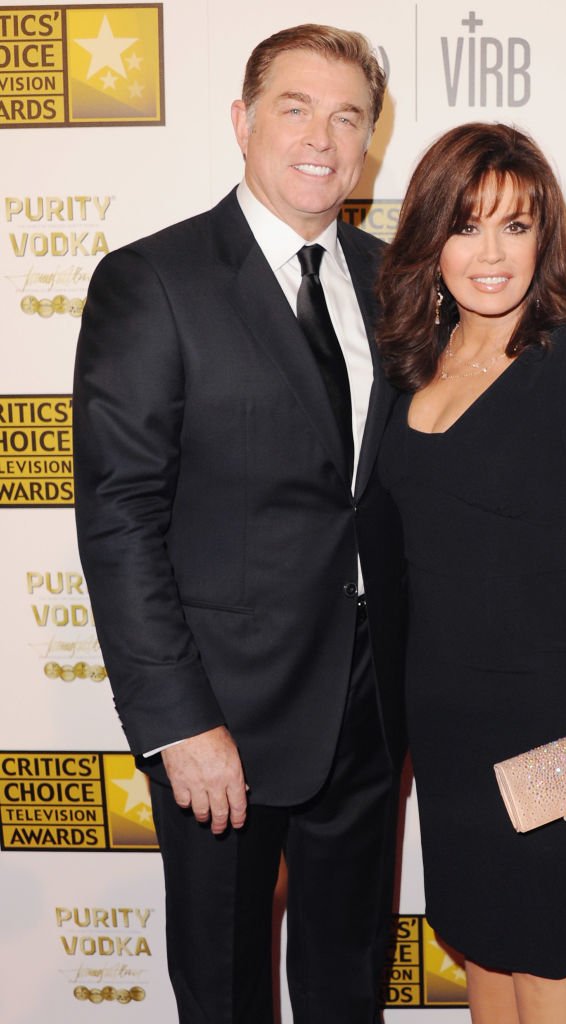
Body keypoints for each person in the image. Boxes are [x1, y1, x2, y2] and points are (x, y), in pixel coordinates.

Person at [72, 24, 408, 1024]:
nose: (323, 136)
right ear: (242, 122)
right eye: (295, 107)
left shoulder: (397, 279)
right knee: (223, 991)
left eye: (348, 116)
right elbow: (121, 516)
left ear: (369, 142)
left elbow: (434, 470)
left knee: (348, 986)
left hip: (370, 701)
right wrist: (178, 721)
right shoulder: (154, 281)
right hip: (222, 714)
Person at [376, 123, 566, 1024]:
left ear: (547, 238)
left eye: (515, 225)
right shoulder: (409, 365)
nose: (490, 253)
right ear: (431, 238)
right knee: (478, 941)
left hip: (549, 719)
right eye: (466, 226)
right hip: (443, 719)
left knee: (541, 952)